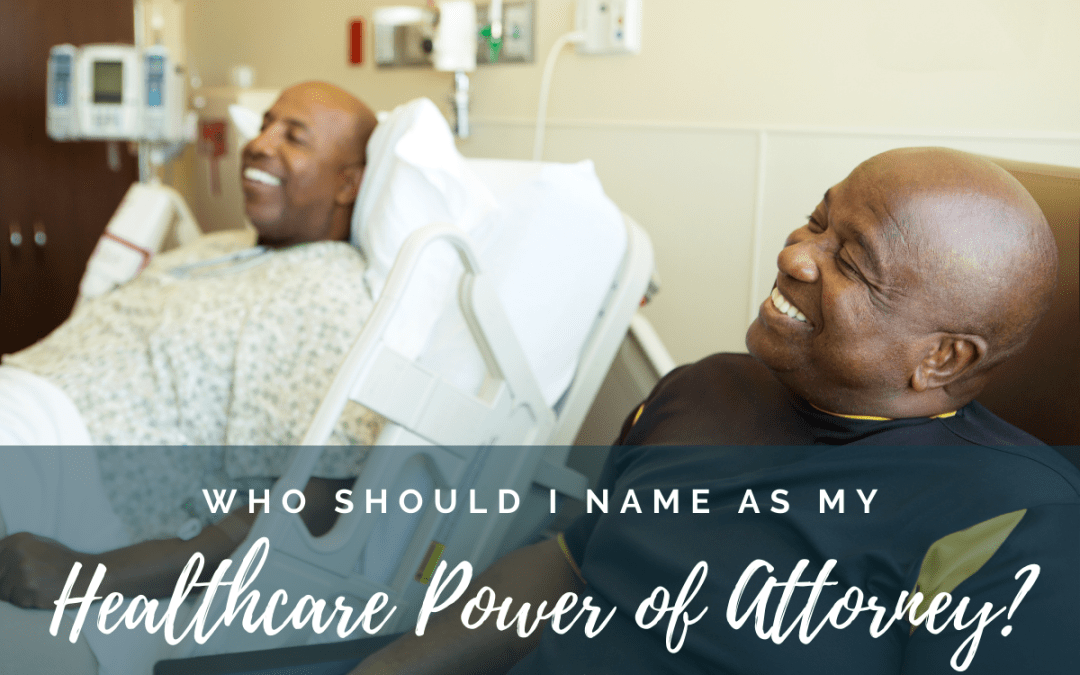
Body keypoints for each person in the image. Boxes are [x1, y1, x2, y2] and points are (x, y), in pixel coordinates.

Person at [347, 148, 1079, 674]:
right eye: (815, 221)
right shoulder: (702, 391)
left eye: (851, 263)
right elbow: (570, 562)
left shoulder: (1014, 518)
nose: (796, 256)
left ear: (944, 358)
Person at [0, 81, 383, 674]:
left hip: (62, 460)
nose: (257, 144)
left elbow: (305, 497)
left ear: (348, 183)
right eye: (264, 125)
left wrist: (89, 576)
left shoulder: (330, 293)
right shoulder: (215, 247)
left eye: (294, 136)